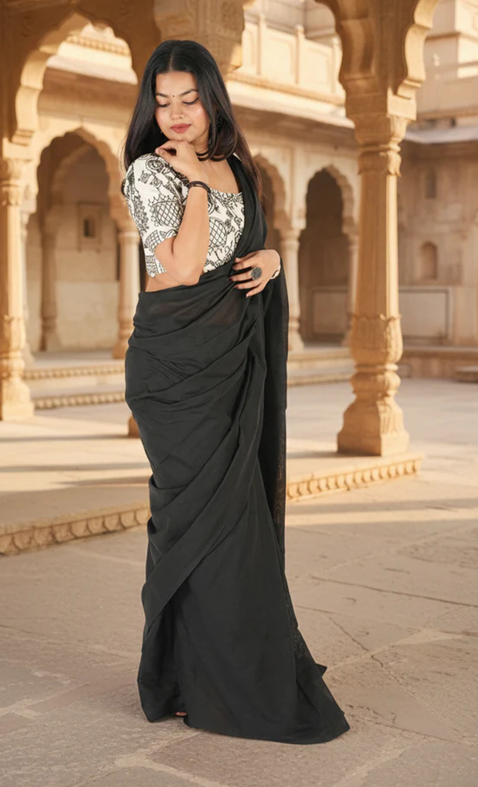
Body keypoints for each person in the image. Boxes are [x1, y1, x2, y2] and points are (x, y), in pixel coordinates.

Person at [121, 39, 349, 745]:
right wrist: (190, 179)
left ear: (213, 97)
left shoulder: (236, 167)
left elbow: (249, 243)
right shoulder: (150, 172)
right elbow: (186, 267)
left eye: (189, 98)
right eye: (162, 101)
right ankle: (193, 677)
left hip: (228, 361)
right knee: (200, 528)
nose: (176, 114)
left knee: (237, 528)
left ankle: (214, 671)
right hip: (173, 371)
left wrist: (276, 257)